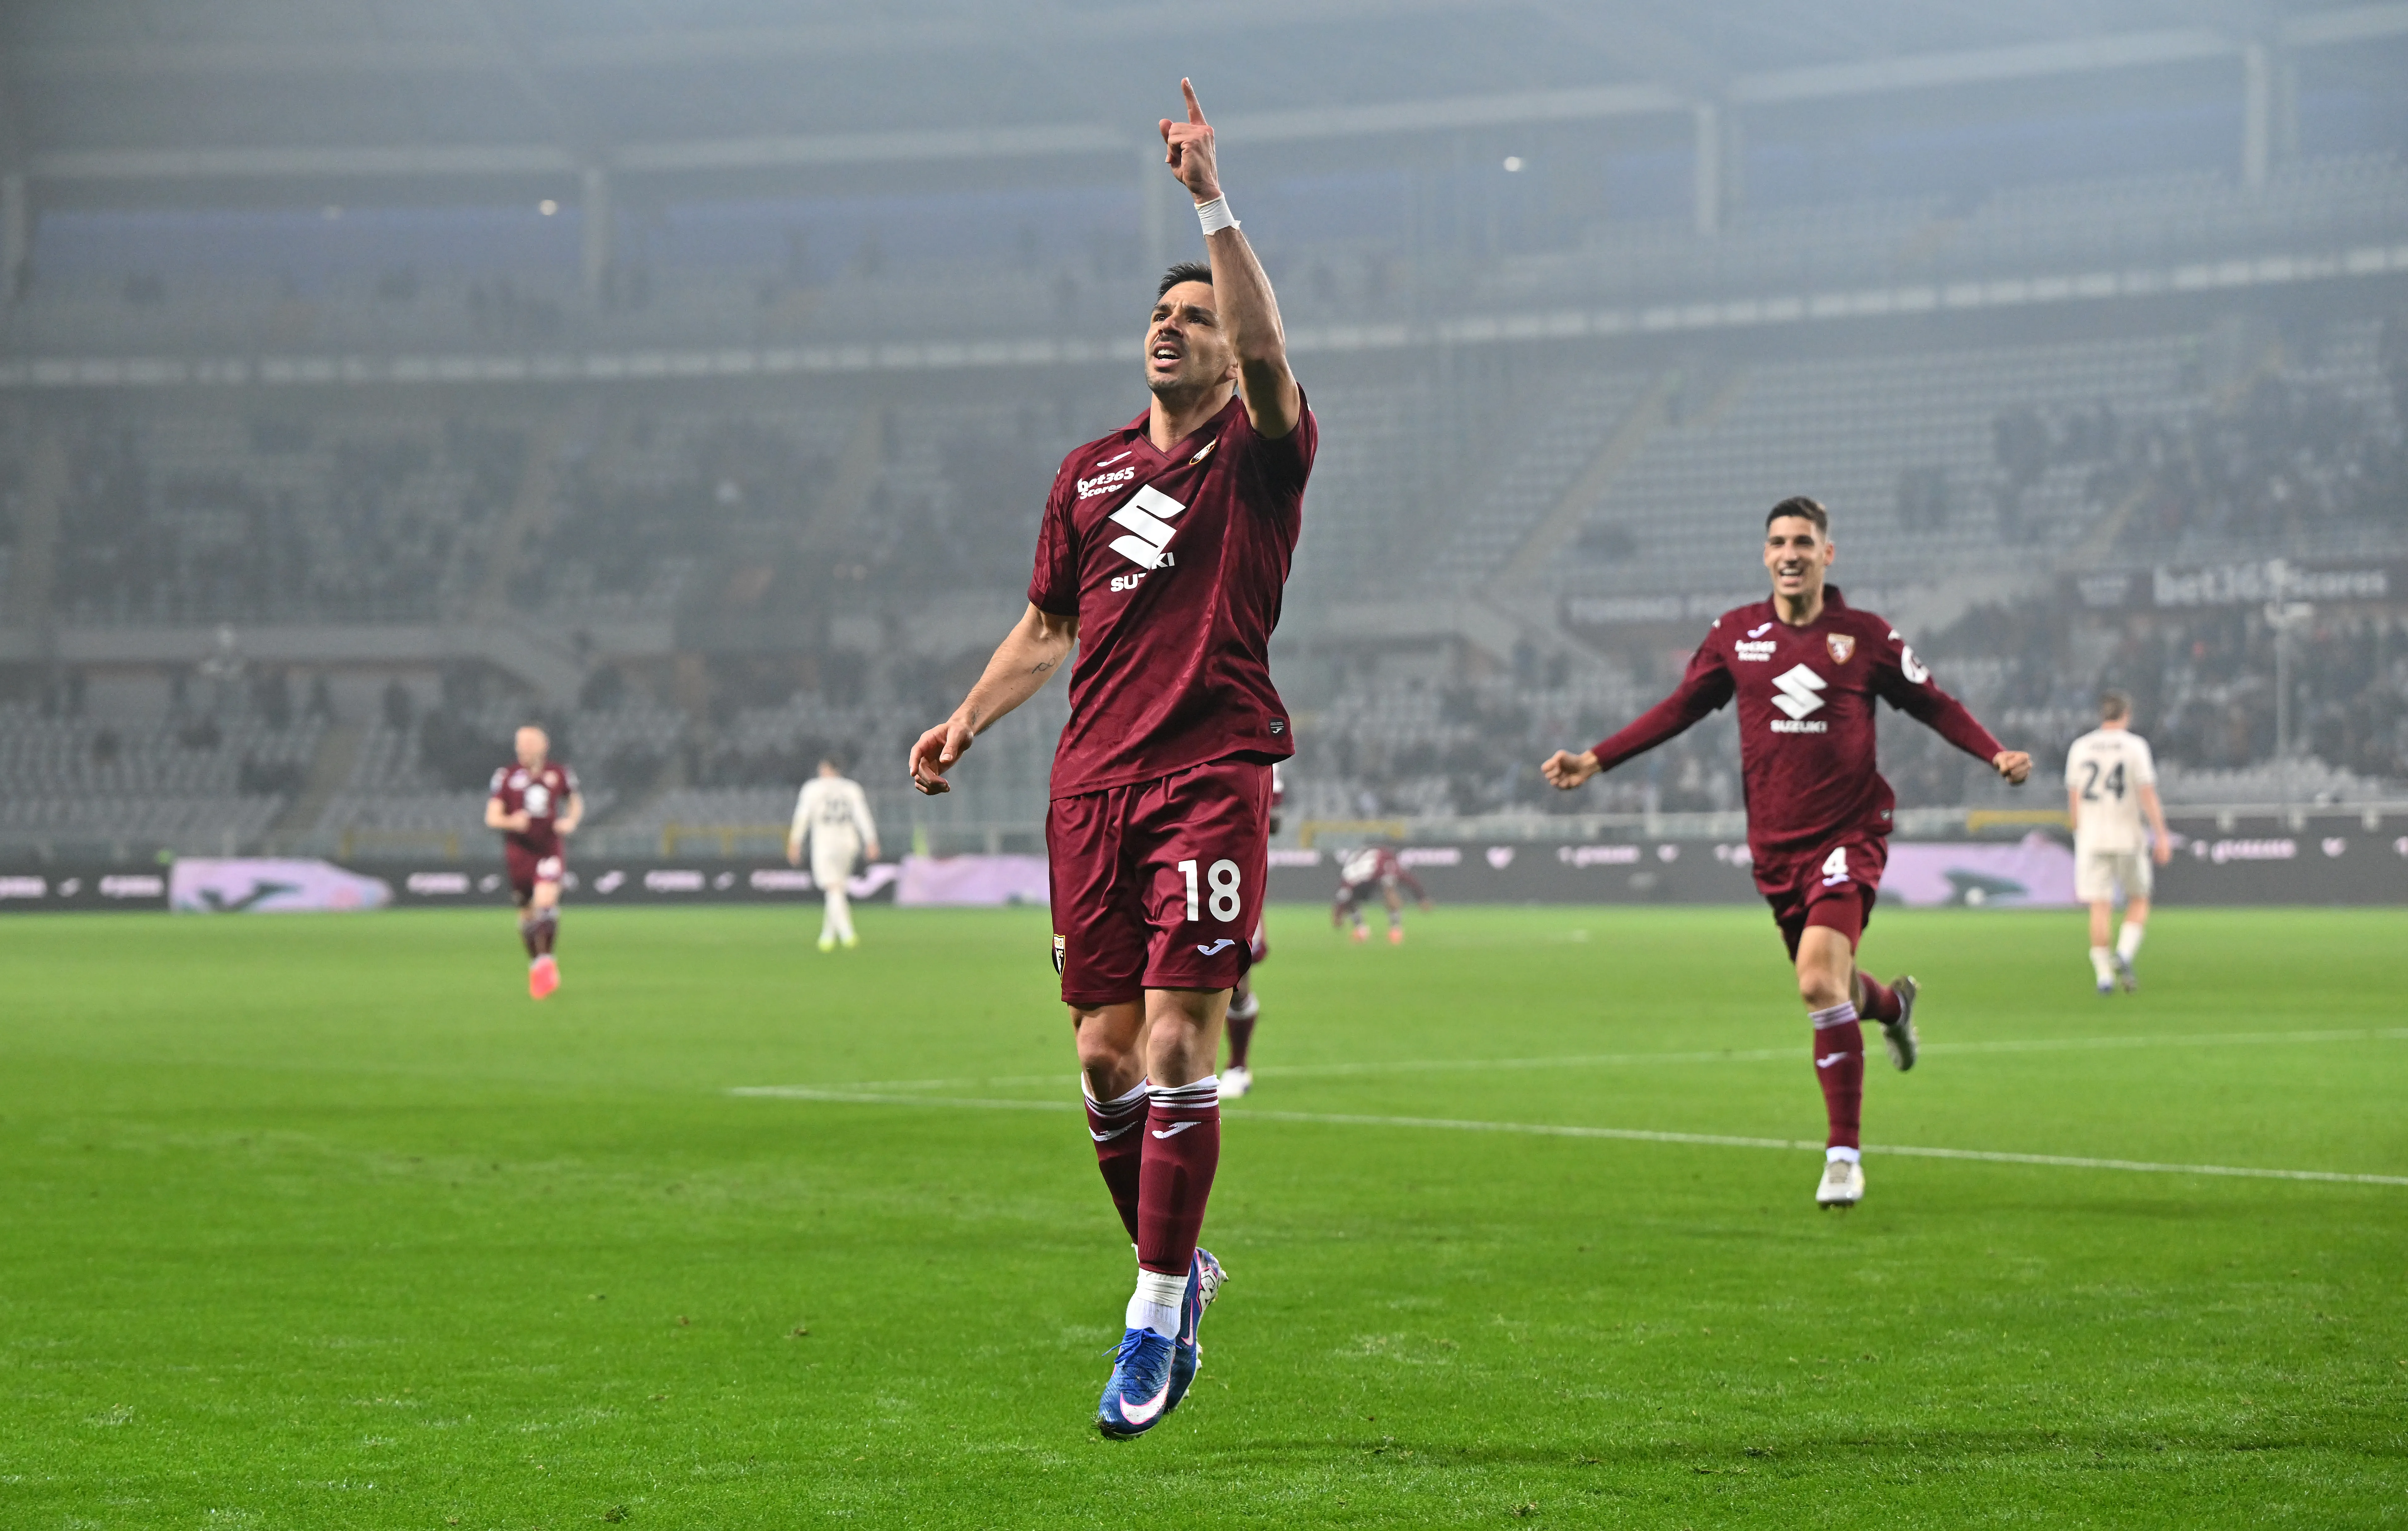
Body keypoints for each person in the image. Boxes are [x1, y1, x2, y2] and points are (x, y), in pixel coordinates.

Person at [907, 79, 1309, 1440]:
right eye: (1161, 313)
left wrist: (1211, 205)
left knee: (1183, 1034)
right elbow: (1049, 626)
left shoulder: (1260, 456)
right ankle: (1180, 1263)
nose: (1171, 327)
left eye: (1193, 316)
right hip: (1093, 788)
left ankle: (1147, 1318)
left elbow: (1265, 355)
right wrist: (968, 718)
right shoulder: (1085, 475)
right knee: (1100, 1060)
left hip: (1212, 771)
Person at [1540, 497, 2032, 1209]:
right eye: (1777, 542)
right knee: (1831, 983)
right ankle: (1891, 1006)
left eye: (1803, 540)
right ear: (1765, 555)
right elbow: (1678, 707)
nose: (1790, 552)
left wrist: (1994, 752)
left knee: (1812, 983)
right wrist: (1596, 759)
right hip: (1774, 844)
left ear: (1827, 554)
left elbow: (1933, 702)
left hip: (1849, 833)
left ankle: (1842, 1157)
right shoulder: (1735, 635)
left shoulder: (1864, 637)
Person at [2064, 691, 2170, 994]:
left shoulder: (2080, 747)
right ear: (2126, 715)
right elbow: (2146, 793)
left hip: (2091, 837)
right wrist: (2161, 834)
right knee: (2139, 898)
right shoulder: (2135, 747)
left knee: (2100, 906)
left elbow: (2073, 797)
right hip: (2127, 835)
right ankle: (2123, 953)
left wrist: (2078, 832)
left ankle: (2103, 976)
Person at [485, 725, 582, 999]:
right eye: (519, 744)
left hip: (549, 846)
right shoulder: (505, 776)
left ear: (543, 745)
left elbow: (575, 801)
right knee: (526, 914)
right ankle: (536, 964)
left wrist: (570, 820)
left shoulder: (560, 773)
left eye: (528, 743)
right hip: (519, 852)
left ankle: (547, 960)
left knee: (546, 902)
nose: (522, 748)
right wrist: (510, 821)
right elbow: (491, 817)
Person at [1221, 762, 1281, 1098]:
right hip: (1168, 860)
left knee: (1235, 982)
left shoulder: (1248, 735)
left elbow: (1273, 812)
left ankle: (1237, 1066)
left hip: (1230, 871)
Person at [788, 756, 881, 951]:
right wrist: (871, 840)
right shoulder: (851, 788)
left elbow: (802, 816)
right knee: (837, 888)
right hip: (849, 844)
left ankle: (847, 933)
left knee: (833, 889)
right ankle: (828, 936)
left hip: (825, 845)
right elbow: (862, 816)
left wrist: (795, 842)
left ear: (825, 769)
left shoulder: (813, 788)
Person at [1331, 840, 1429, 945]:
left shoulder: (1383, 861)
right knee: (1351, 898)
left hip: (1374, 871)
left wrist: (1421, 898)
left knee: (1389, 888)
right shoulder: (1353, 874)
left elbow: (1406, 878)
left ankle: (1396, 929)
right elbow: (1344, 893)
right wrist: (1338, 914)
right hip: (1364, 876)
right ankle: (1361, 930)